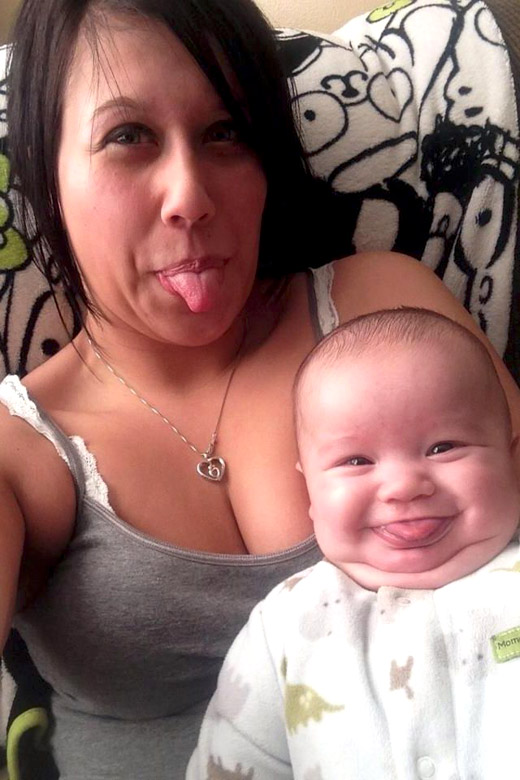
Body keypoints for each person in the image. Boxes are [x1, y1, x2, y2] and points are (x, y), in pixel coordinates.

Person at [1, 0, 520, 776]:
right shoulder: (23, 450)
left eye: (226, 133)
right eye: (128, 136)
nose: (190, 197)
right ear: (46, 167)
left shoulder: (383, 315)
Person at [188, 307, 520, 779]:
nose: (403, 487)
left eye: (443, 447)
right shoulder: (283, 624)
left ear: (512, 460)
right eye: (357, 460)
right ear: (310, 491)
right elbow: (231, 764)